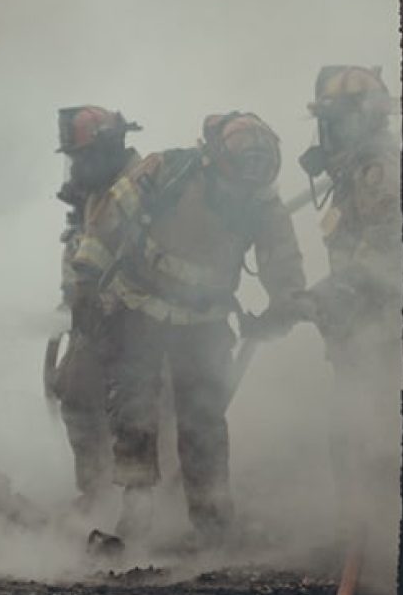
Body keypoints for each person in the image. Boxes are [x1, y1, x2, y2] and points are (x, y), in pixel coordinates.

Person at [72, 112, 308, 547]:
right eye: (241, 170)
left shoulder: (260, 201)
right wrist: (85, 281)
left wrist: (285, 306)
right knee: (135, 414)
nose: (244, 184)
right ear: (216, 158)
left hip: (204, 324)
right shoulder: (168, 170)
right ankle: (137, 513)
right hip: (139, 311)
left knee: (204, 423)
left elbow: (284, 261)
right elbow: (108, 218)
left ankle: (214, 523)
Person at [300, 66, 403, 589]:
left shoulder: (377, 169)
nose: (328, 132)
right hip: (358, 329)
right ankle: (358, 533)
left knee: (373, 430)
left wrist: (336, 291)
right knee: (349, 430)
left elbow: (387, 246)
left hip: (382, 332)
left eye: (336, 121)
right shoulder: (354, 171)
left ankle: (382, 544)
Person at [46, 106, 141, 512]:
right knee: (77, 391)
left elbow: (148, 261)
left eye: (82, 157)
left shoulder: (140, 188)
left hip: (139, 322)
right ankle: (98, 493)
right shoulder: (95, 192)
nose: (76, 167)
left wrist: (107, 302)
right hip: (95, 324)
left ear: (107, 148)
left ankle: (144, 502)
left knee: (140, 410)